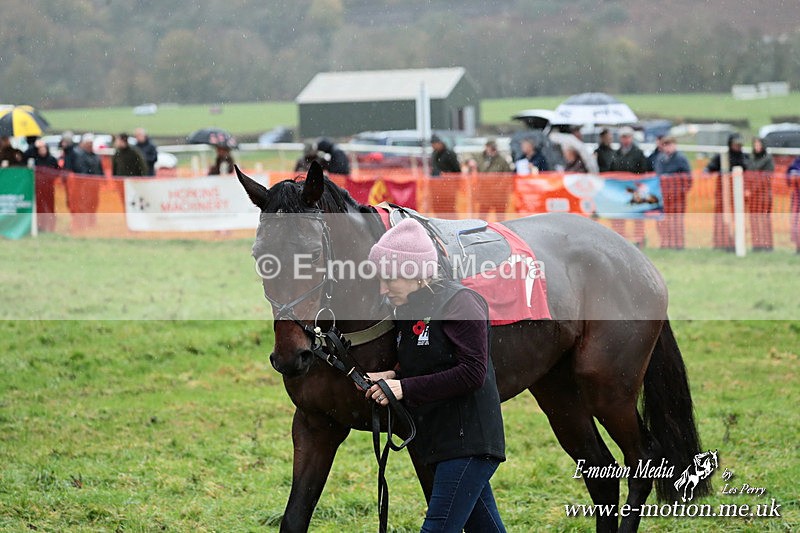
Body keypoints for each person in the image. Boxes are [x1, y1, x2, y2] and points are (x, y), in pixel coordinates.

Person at [364, 218, 507, 533]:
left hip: (469, 441)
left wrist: (402, 388)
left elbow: (472, 372)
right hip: (442, 441)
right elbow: (427, 360)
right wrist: (392, 374)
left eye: (389, 279)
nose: (383, 289)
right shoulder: (408, 307)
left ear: (415, 274)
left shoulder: (461, 303)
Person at [704, 133, 751, 251]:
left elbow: (751, 173)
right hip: (724, 194)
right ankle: (721, 242)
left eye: (739, 144)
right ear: (730, 144)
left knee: (738, 219)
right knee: (722, 219)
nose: (738, 146)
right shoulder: (722, 156)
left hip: (739, 195)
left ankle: (737, 242)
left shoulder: (745, 157)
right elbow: (709, 168)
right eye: (735, 144)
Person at [610, 126, 649, 247]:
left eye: (628, 136)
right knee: (619, 216)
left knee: (637, 215)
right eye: (623, 136)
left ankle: (639, 240)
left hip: (634, 190)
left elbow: (643, 170)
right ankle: (620, 239)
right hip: (620, 191)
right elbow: (612, 170)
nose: (625, 139)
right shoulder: (616, 154)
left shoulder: (638, 153)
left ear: (632, 138)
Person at [654, 136, 692, 249]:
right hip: (663, 196)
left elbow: (688, 178)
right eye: (665, 144)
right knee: (662, 220)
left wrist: (681, 191)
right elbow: (657, 176)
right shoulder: (660, 158)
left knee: (677, 221)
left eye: (670, 144)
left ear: (675, 145)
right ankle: (665, 242)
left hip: (678, 196)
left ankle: (678, 243)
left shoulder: (681, 159)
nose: (668, 147)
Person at [468, 139, 512, 219]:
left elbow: (507, 177)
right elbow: (468, 159)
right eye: (491, 148)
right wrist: (471, 162)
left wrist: (498, 187)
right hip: (485, 195)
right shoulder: (479, 158)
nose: (492, 150)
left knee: (500, 221)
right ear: (486, 147)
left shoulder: (502, 160)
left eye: (494, 148)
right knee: (482, 220)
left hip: (499, 196)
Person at [746, 137, 774, 251]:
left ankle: (767, 245)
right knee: (754, 220)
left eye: (759, 144)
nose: (757, 147)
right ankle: (756, 245)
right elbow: (748, 175)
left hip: (764, 195)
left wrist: (752, 188)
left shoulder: (768, 159)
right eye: (755, 144)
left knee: (764, 220)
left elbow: (766, 177)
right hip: (753, 196)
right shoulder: (751, 159)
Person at [31, 140, 60, 232]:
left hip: (49, 187)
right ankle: (40, 226)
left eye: (43, 149)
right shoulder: (36, 160)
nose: (42, 151)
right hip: (38, 188)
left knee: (50, 207)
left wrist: (50, 178)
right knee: (39, 207)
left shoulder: (52, 159)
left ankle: (51, 226)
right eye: (40, 149)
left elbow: (58, 171)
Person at [787, 156, 800, 254]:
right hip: (797, 197)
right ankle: (798, 247)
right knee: (795, 222)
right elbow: (790, 171)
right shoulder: (797, 161)